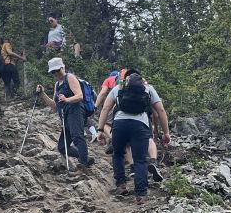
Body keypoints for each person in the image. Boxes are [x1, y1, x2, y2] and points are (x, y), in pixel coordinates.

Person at [97, 68, 170, 204]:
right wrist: (166, 133)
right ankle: (141, 194)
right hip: (140, 126)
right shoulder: (148, 88)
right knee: (140, 160)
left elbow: (106, 108)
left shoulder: (118, 88)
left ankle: (121, 185)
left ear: (125, 79)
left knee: (118, 154)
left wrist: (100, 130)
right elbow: (160, 110)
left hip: (120, 124)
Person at [36, 57, 90, 173]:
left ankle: (83, 164)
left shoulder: (70, 77)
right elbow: (55, 106)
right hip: (65, 116)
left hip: (75, 111)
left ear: (63, 67)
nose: (56, 73)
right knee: (62, 147)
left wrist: (67, 99)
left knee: (77, 136)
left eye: (57, 70)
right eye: (53, 71)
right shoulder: (57, 84)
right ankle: (84, 157)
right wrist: (42, 94)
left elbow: (80, 96)